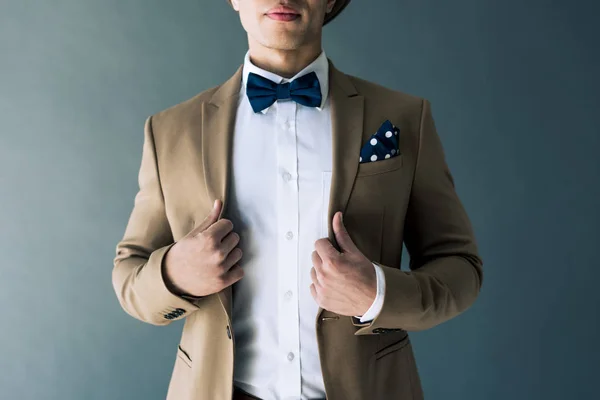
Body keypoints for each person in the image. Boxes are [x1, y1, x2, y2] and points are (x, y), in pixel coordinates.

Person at [111, 1, 484, 399]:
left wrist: (378, 294)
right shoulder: (170, 131)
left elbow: (461, 267)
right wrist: (174, 273)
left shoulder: (406, 117)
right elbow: (129, 276)